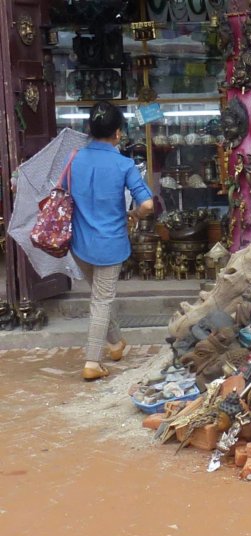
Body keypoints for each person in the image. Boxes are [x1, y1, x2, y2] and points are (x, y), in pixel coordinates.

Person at [70, 101, 154, 381]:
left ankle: (116, 343)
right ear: (117, 133)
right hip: (110, 244)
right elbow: (148, 205)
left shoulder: (74, 159)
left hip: (80, 244)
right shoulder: (124, 164)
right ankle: (92, 362)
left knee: (99, 296)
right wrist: (134, 214)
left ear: (89, 130)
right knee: (101, 300)